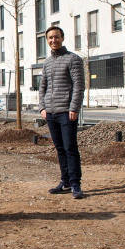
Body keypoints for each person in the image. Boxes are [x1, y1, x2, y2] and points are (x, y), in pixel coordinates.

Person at [39, 25, 85, 199]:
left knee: (70, 148)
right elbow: (42, 86)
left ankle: (75, 184)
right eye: (50, 38)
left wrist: (74, 108)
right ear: (47, 40)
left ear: (62, 38)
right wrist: (42, 107)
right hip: (50, 113)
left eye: (56, 37)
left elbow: (79, 86)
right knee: (60, 149)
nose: (53, 40)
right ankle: (65, 181)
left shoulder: (73, 59)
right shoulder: (47, 62)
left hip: (66, 112)